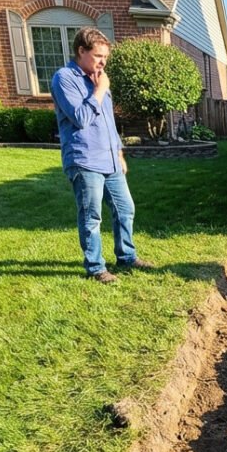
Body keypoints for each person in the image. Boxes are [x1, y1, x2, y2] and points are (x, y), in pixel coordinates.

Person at [51, 27, 152, 284]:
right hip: (84, 160)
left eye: (105, 56)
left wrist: (119, 152)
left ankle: (127, 256)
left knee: (125, 208)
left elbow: (108, 121)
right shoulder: (64, 79)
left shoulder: (99, 77)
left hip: (110, 159)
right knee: (91, 216)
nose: (103, 62)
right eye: (98, 56)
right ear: (81, 51)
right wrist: (99, 90)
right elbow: (81, 118)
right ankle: (96, 267)